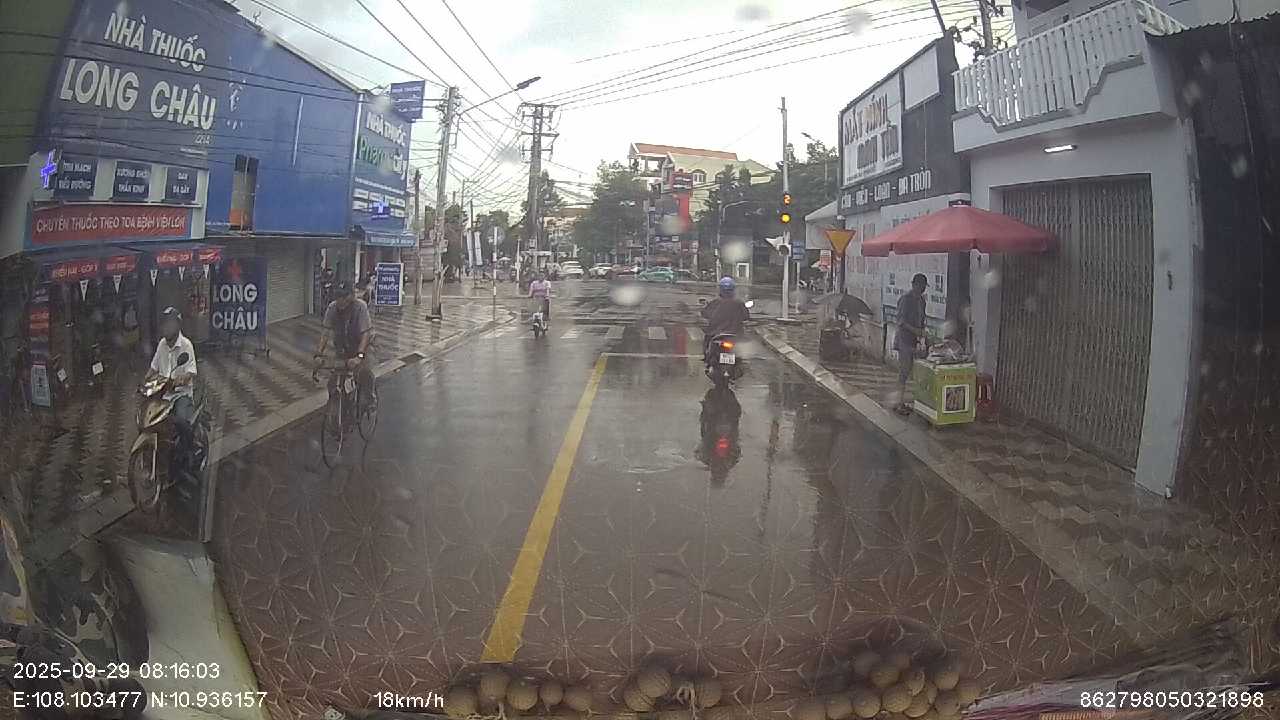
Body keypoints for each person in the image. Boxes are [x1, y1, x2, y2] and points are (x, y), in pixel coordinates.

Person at [314, 281, 376, 408]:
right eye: (338, 296)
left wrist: (359, 356)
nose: (340, 300)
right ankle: (339, 405)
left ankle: (370, 399)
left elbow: (365, 334)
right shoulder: (332, 308)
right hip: (342, 348)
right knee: (333, 382)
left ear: (352, 296)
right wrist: (318, 354)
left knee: (364, 372)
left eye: (344, 296)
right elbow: (325, 333)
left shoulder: (360, 307)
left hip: (363, 347)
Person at [147, 306, 197, 446]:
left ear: (177, 326)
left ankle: (187, 451)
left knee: (181, 422)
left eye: (170, 324)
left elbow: (191, 372)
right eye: (164, 324)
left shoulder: (186, 345)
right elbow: (153, 368)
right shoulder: (162, 344)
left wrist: (180, 380)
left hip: (181, 395)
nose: (166, 328)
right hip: (163, 395)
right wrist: (144, 382)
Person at [894, 273, 929, 415]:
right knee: (904, 372)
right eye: (921, 286)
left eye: (924, 287)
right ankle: (898, 403)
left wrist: (923, 333)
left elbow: (922, 320)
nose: (922, 289)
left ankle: (915, 403)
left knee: (918, 372)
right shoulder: (906, 300)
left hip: (916, 341)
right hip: (904, 340)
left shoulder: (922, 301)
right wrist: (916, 330)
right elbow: (901, 322)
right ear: (914, 285)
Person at [701, 277, 751, 356]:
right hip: (735, 334)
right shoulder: (739, 303)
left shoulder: (715, 303)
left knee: (707, 344)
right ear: (733, 290)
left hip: (716, 333)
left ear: (720, 289)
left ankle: (707, 357)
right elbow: (746, 317)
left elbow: (704, 314)